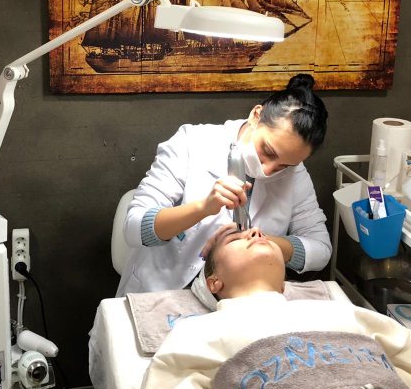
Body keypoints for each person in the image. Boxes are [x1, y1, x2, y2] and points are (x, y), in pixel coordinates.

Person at [141, 227, 411, 389]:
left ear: (284, 284)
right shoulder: (197, 332)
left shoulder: (339, 312)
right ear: (214, 282)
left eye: (259, 234)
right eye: (236, 239)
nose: (255, 233)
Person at [116, 73, 331, 296]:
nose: (268, 170)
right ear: (256, 115)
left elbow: (321, 249)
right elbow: (134, 227)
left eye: (284, 166)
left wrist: (260, 241)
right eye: (268, 151)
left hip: (238, 298)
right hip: (163, 290)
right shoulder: (192, 141)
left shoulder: (296, 173)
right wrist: (203, 208)